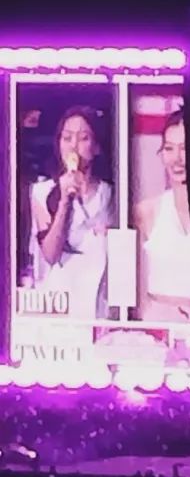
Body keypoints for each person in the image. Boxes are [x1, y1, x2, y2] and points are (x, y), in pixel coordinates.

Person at [134, 107, 190, 320]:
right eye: (169, 148)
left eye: (186, 149)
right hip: (159, 321)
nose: (177, 159)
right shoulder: (147, 211)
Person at [29, 106, 114, 319]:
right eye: (67, 138)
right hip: (58, 303)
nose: (73, 146)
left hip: (97, 301)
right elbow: (50, 254)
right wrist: (65, 200)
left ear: (96, 147)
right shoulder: (42, 192)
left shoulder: (110, 195)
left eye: (83, 138)